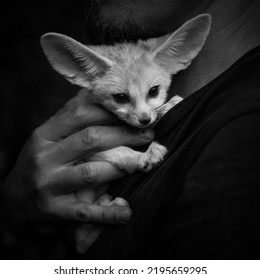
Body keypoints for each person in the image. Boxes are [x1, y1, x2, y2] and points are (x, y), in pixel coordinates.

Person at [2, 0, 260, 259]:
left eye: (152, 93)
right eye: (122, 98)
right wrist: (17, 217)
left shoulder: (241, 134)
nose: (145, 116)